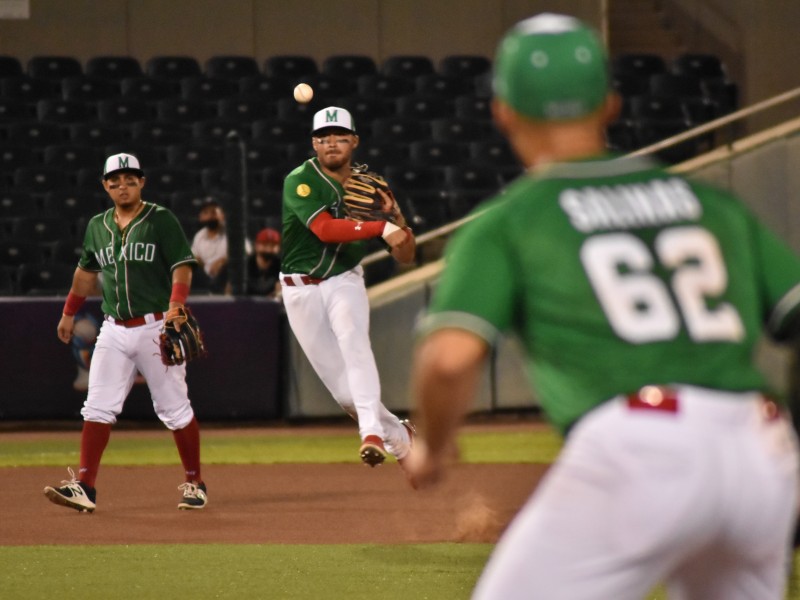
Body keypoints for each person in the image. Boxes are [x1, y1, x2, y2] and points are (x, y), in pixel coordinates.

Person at [405, 13, 800, 599]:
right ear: (611, 105)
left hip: (642, 447)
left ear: (503, 112)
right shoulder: (709, 203)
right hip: (760, 449)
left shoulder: (512, 221)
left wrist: (432, 448)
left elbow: (447, 362)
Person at [44, 153, 208, 513]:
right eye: (115, 180)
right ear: (105, 185)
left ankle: (195, 482)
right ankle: (85, 485)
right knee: (97, 407)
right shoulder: (97, 226)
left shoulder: (160, 219)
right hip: (113, 329)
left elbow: (182, 265)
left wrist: (176, 305)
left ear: (141, 182)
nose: (122, 185)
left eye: (130, 178)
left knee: (175, 410)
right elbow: (85, 274)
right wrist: (68, 312)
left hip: (155, 325)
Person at [281, 106, 417, 475]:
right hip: (299, 289)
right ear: (313, 144)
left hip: (344, 279)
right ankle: (400, 435)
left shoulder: (371, 186)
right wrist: (377, 229)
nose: (331, 144)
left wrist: (397, 223)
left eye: (340, 136)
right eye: (323, 138)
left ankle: (371, 434)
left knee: (354, 340)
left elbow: (406, 255)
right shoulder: (300, 180)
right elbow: (325, 230)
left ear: (354, 141)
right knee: (345, 395)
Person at [191, 200, 229, 294]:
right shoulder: (199, 236)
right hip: (204, 278)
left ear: (222, 215)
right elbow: (194, 256)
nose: (211, 216)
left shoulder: (231, 233)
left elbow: (246, 254)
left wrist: (223, 261)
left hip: (224, 278)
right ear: (201, 217)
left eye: (214, 212)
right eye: (206, 213)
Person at [246, 227, 282, 298]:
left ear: (278, 248)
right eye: (264, 244)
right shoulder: (245, 265)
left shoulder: (282, 267)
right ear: (256, 245)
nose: (268, 249)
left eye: (273, 245)